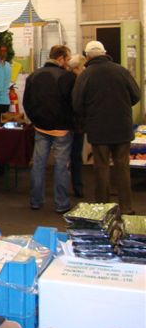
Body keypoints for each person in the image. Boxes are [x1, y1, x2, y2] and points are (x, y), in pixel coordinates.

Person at [72, 41, 140, 214]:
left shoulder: (85, 75)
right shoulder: (121, 71)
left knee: (101, 168)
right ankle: (126, 208)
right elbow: (136, 95)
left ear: (87, 56)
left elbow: (77, 103)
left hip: (98, 128)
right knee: (122, 168)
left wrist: (89, 115)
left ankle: (103, 208)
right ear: (105, 52)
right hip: (122, 127)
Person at [23, 45, 76, 213]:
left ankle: (35, 201)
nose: (68, 62)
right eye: (68, 59)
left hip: (40, 127)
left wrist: (35, 120)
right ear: (60, 58)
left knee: (38, 165)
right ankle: (61, 204)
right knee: (61, 167)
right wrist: (71, 123)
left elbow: (26, 102)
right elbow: (72, 103)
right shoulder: (67, 77)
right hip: (62, 128)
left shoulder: (33, 75)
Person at [68, 54, 87, 198]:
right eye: (83, 66)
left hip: (67, 124)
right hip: (77, 124)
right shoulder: (79, 82)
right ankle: (77, 186)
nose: (85, 69)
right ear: (77, 68)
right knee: (76, 156)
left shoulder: (64, 79)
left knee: (67, 156)